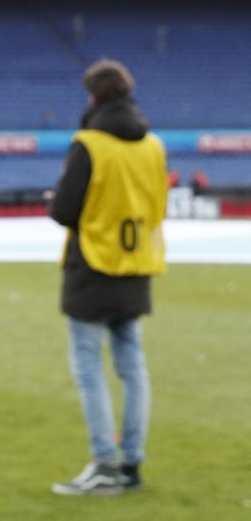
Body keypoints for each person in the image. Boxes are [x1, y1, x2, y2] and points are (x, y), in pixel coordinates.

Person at [49, 58, 168, 496]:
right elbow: (159, 206)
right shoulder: (153, 145)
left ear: (94, 97)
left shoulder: (90, 142)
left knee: (88, 367)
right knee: (132, 366)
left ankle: (103, 462)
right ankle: (132, 463)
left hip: (93, 267)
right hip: (136, 267)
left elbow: (63, 210)